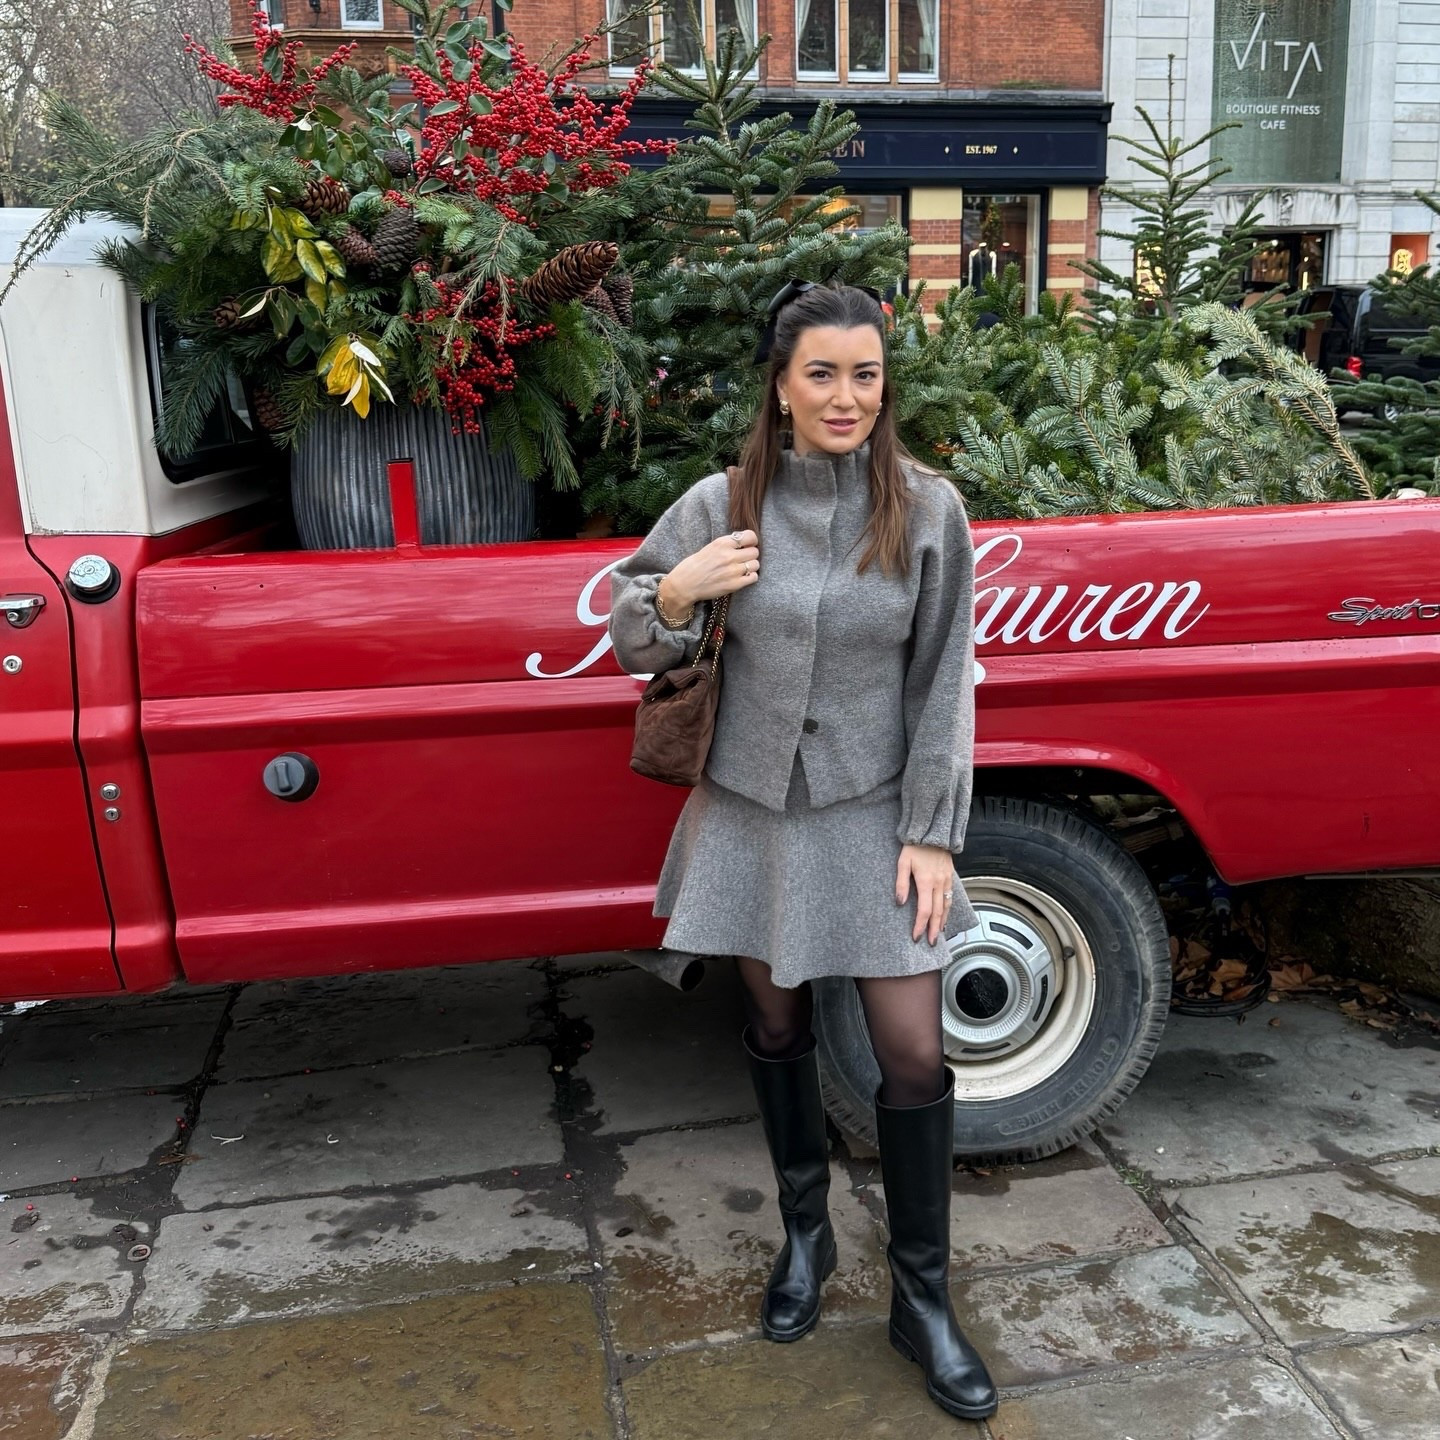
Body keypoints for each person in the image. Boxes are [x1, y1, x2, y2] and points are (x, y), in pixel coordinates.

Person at [608, 281, 997, 1422]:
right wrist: (677, 591)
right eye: (821, 373)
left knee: (912, 1056)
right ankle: (805, 1237)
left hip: (876, 812)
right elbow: (631, 633)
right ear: (780, 385)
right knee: (775, 1026)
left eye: (864, 374)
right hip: (749, 812)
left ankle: (921, 1300)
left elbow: (946, 683)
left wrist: (932, 832)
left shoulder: (927, 509)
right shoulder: (721, 503)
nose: (845, 396)